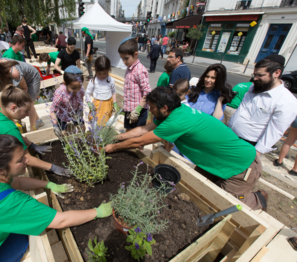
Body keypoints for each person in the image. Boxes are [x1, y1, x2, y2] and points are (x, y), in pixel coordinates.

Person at [105, 87, 268, 211]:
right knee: (198, 191)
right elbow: (143, 129)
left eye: (153, 108)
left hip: (241, 167)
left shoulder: (175, 122)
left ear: (165, 108)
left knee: (224, 205)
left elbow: (138, 141)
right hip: (217, 160)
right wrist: (118, 137)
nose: (151, 111)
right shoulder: (177, 111)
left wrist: (113, 147)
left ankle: (258, 199)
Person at [229, 54, 297, 156]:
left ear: (277, 73)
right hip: (230, 135)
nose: (255, 79)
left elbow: (275, 131)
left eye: (260, 75)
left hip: (248, 145)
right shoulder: (255, 87)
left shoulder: (286, 101)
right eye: (254, 74)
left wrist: (255, 154)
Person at [0, 57, 44, 131]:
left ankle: (32, 129)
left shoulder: (14, 73)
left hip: (32, 78)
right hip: (18, 79)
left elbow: (25, 88)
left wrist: (19, 101)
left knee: (29, 103)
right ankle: (38, 121)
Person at [118, 37, 151, 130]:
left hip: (138, 111)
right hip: (129, 109)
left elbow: (147, 92)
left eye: (126, 58)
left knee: (138, 137)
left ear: (135, 54)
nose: (124, 62)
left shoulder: (140, 70)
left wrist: (138, 110)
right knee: (128, 133)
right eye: (122, 59)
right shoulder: (129, 69)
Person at [51, 66, 85, 136]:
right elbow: (52, 110)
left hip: (75, 112)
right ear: (65, 83)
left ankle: (81, 140)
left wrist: (81, 109)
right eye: (73, 88)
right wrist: (55, 125)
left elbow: (81, 99)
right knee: (63, 133)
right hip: (62, 114)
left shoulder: (80, 89)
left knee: (82, 128)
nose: (77, 90)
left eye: (79, 87)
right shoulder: (60, 93)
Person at [86, 56, 117, 126]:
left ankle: (103, 136)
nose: (102, 76)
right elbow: (87, 93)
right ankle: (96, 136)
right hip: (97, 105)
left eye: (104, 73)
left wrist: (115, 104)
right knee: (96, 124)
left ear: (109, 70)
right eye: (99, 73)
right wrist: (89, 103)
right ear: (95, 70)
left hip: (108, 105)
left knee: (106, 124)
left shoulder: (111, 80)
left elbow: (113, 92)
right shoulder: (93, 81)